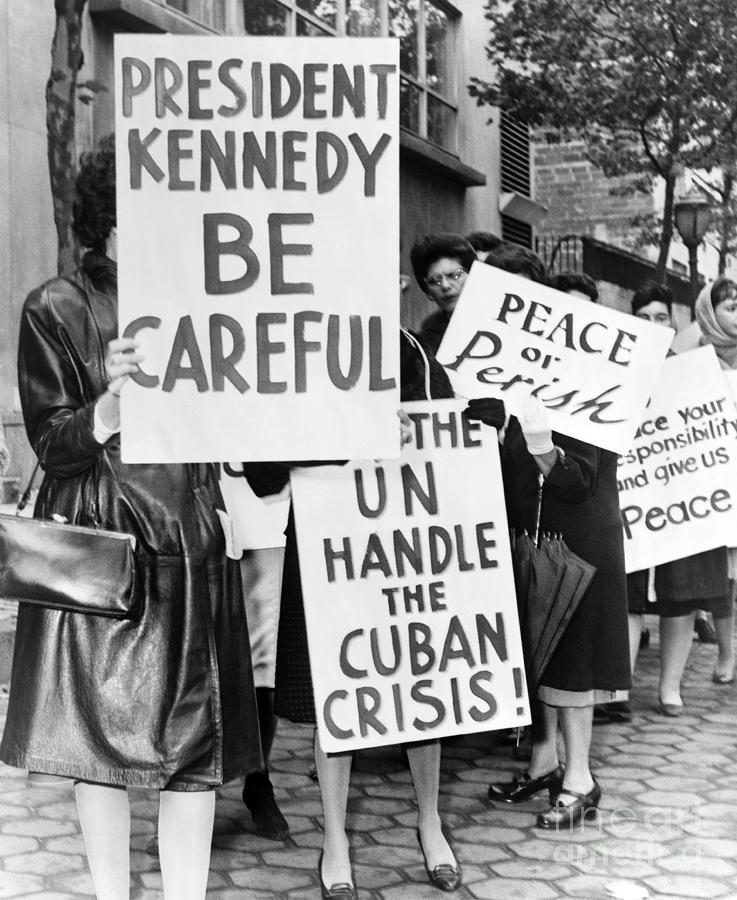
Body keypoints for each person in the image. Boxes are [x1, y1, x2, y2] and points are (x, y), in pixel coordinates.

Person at [0, 136, 261, 900]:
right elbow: (51, 441)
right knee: (91, 738)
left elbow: (230, 416)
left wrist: (229, 490)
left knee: (195, 741)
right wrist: (106, 409)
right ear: (110, 217)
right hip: (101, 539)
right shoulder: (57, 305)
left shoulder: (207, 296)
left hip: (191, 529)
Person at [486, 250, 630, 828]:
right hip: (532, 537)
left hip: (579, 543)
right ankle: (548, 763)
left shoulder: (599, 388)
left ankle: (580, 778)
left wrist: (542, 442)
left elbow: (577, 480)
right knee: (538, 656)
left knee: (570, 660)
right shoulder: (516, 379)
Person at [694, 276, 737, 684]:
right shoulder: (694, 359)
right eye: (731, 307)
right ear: (710, 312)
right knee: (725, 578)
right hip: (715, 481)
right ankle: (727, 654)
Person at [412, 233, 477, 355]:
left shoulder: (505, 311)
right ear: (428, 293)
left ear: (474, 274)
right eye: (434, 281)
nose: (445, 286)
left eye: (454, 275)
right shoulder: (428, 332)